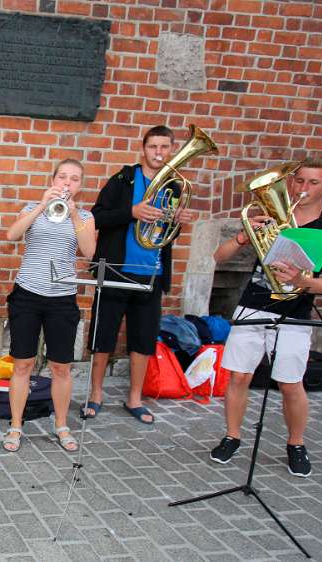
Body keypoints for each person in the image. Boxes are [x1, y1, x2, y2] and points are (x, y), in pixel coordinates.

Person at [209, 156, 322, 477]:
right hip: (254, 304)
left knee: (290, 383)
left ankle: (296, 443)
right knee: (239, 376)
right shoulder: (270, 216)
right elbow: (218, 257)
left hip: (295, 312)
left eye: (314, 183)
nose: (304, 188)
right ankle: (232, 436)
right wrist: (244, 235)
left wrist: (303, 281)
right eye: (299, 180)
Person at [83, 125, 193, 425]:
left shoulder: (173, 187)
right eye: (153, 146)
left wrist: (178, 220)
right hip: (117, 270)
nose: (158, 153)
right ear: (143, 149)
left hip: (151, 273)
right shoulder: (123, 179)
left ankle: (134, 398)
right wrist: (131, 212)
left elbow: (166, 232)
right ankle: (95, 394)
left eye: (164, 147)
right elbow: (97, 216)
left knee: (143, 340)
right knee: (103, 335)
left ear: (171, 150)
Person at [2, 159, 96, 452]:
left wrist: (72, 215)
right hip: (27, 294)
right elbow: (12, 235)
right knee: (22, 365)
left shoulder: (85, 216)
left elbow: (89, 251)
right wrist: (43, 206)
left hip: (62, 298)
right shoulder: (33, 209)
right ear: (53, 179)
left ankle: (62, 424)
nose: (68, 183)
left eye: (75, 179)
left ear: (80, 186)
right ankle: (16, 426)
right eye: (63, 177)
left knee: (60, 367)